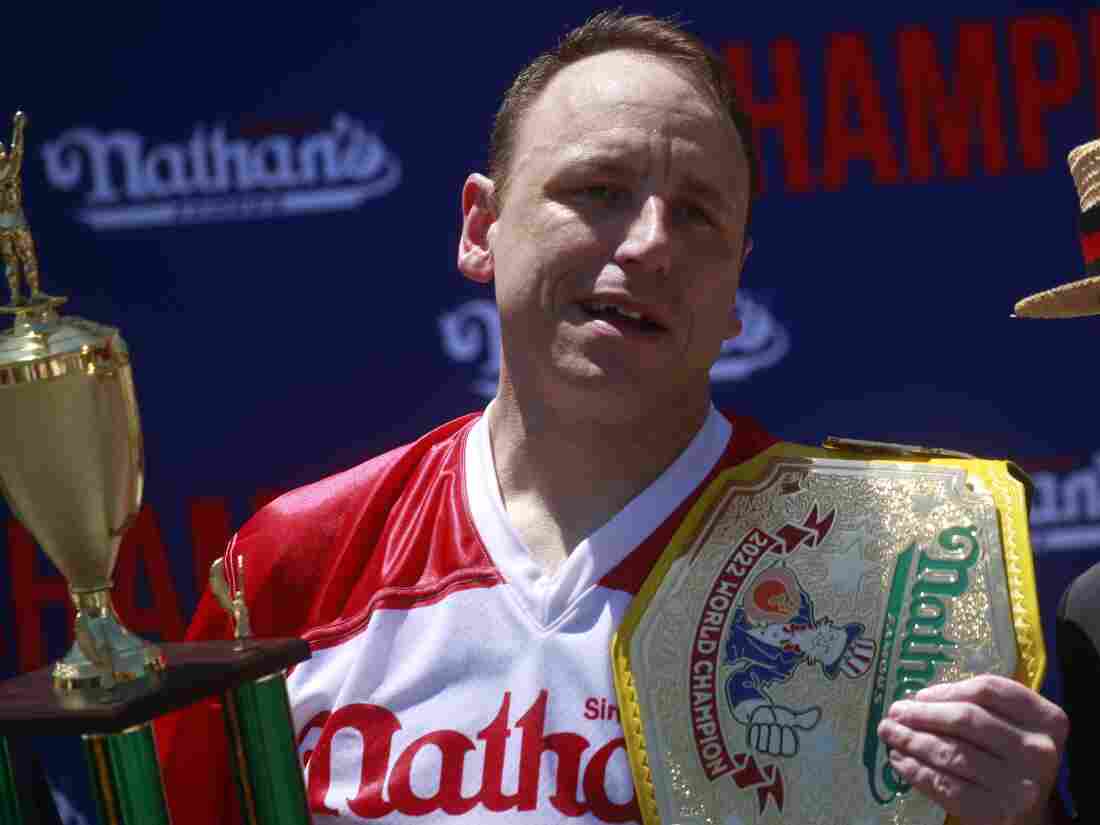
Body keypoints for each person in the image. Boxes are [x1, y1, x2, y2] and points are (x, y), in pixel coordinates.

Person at [156, 11, 1069, 824]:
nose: (647, 245)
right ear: (482, 228)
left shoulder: (874, 569)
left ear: (736, 287)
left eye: (698, 214)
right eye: (598, 190)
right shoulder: (291, 564)